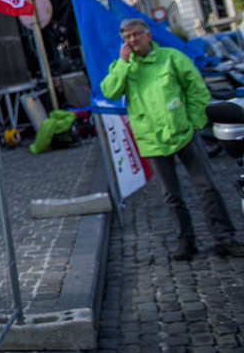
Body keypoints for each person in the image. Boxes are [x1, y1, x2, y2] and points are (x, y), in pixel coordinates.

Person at [101, 18, 244, 260]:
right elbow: (110, 91)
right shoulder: (123, 65)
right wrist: (123, 64)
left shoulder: (171, 57)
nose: (132, 41)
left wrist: (195, 122)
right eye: (127, 38)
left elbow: (196, 89)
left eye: (136, 35)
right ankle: (186, 242)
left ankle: (224, 239)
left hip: (184, 133)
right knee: (171, 195)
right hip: (152, 140)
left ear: (148, 35)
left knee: (207, 187)